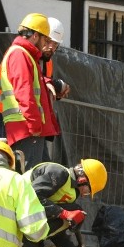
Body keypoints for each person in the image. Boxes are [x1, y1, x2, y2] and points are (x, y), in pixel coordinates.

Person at [0, 12, 51, 173]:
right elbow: (24, 91)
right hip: (25, 126)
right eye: (45, 39)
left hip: (23, 125)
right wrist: (34, 124)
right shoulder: (20, 54)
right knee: (29, 175)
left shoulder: (23, 54)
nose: (47, 44)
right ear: (35, 36)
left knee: (31, 172)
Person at [22, 158, 108, 247]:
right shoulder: (58, 173)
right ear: (83, 179)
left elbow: (57, 226)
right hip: (15, 214)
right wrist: (64, 213)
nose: (83, 195)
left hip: (24, 217)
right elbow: (32, 196)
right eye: (87, 191)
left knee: (75, 210)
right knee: (72, 210)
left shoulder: (71, 191)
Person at [39, 17, 71, 168]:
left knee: (41, 166)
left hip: (30, 122)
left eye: (55, 44)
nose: (51, 47)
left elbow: (43, 88)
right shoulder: (27, 56)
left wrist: (56, 91)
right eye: (48, 41)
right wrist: (54, 84)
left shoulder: (48, 62)